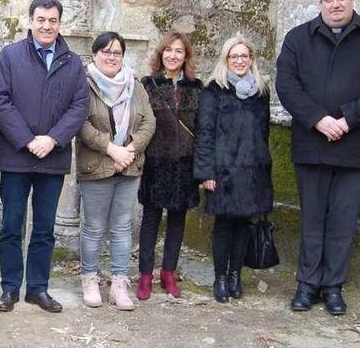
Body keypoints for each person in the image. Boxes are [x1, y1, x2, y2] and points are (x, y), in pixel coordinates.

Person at [276, 0, 360, 316]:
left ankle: (333, 287)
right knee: (312, 219)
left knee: (343, 221)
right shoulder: (299, 38)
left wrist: (347, 118)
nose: (335, 4)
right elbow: (286, 84)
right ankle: (307, 284)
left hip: (354, 144)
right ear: (320, 3)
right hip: (311, 143)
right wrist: (318, 119)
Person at [0, 0, 90, 313]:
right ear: (30, 21)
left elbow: (79, 107)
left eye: (52, 20)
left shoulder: (73, 63)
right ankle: (9, 289)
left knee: (45, 229)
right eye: (41, 20)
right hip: (16, 156)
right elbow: (0, 101)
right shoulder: (10, 56)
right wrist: (26, 139)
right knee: (11, 225)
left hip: (52, 157)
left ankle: (37, 288)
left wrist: (53, 139)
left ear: (59, 23)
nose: (46, 26)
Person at [75, 32, 155, 310]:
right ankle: (90, 278)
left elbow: (149, 122)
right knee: (94, 226)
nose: (111, 57)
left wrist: (130, 151)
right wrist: (111, 149)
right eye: (106, 52)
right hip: (96, 165)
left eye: (117, 52)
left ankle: (120, 282)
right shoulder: (83, 85)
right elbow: (80, 123)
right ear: (95, 54)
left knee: (122, 227)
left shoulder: (135, 85)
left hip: (129, 166)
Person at [193, 35, 273, 304]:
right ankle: (220, 278)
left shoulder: (261, 91)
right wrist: (206, 173)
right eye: (234, 56)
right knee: (224, 225)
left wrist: (263, 170)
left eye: (244, 56)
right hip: (223, 171)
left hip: (252, 171)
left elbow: (264, 133)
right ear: (226, 60)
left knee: (244, 226)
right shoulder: (214, 90)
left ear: (251, 60)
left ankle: (236, 275)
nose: (239, 61)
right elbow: (204, 133)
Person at [136, 31, 203, 299]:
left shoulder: (195, 86)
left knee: (177, 221)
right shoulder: (148, 84)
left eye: (179, 51)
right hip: (155, 162)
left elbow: (201, 127)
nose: (173, 55)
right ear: (161, 53)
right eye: (169, 50)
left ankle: (168, 273)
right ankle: (144, 276)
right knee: (151, 220)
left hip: (184, 164)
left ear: (185, 56)